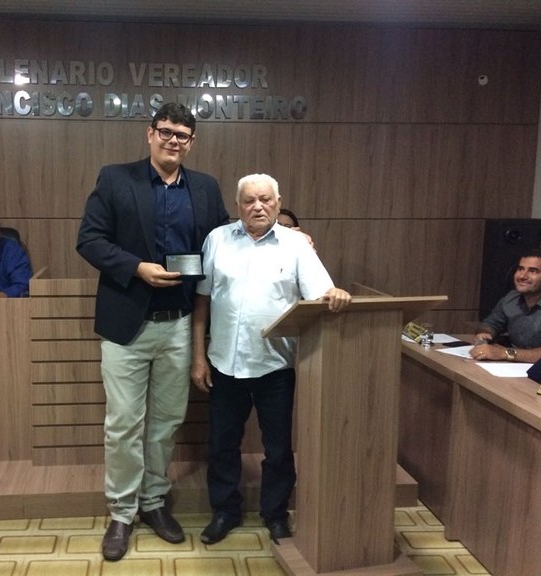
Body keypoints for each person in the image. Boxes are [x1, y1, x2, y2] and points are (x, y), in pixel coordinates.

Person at [76, 103, 230, 561]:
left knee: (165, 424)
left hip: (179, 325)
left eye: (182, 135)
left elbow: (224, 241)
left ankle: (154, 502)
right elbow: (89, 240)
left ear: (191, 142)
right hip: (127, 325)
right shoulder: (115, 179)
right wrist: (136, 268)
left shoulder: (205, 188)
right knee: (123, 424)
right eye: (166, 131)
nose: (173, 140)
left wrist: (289, 233)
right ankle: (122, 513)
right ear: (150, 134)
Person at [190, 173, 351, 544]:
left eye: (265, 199)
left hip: (276, 366)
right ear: (238, 206)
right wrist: (198, 357)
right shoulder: (217, 239)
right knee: (222, 446)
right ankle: (225, 512)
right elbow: (202, 300)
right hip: (224, 365)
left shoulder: (296, 245)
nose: (257, 206)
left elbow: (322, 293)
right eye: (249, 200)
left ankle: (275, 514)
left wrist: (336, 294)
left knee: (277, 449)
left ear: (278, 204)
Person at [470, 250, 541, 363]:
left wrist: (505, 353)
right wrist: (485, 333)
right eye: (520, 269)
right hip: (515, 366)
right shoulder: (511, 298)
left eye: (533, 271)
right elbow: (491, 323)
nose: (522, 276)